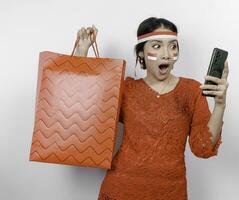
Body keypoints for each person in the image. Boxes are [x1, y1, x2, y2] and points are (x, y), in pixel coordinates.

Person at [74, 17, 229, 200]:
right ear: (141, 53)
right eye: (157, 46)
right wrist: (82, 51)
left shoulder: (191, 91)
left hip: (171, 192)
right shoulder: (126, 89)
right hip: (120, 189)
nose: (166, 54)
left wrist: (220, 105)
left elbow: (202, 147)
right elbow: (84, 109)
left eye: (172, 46)